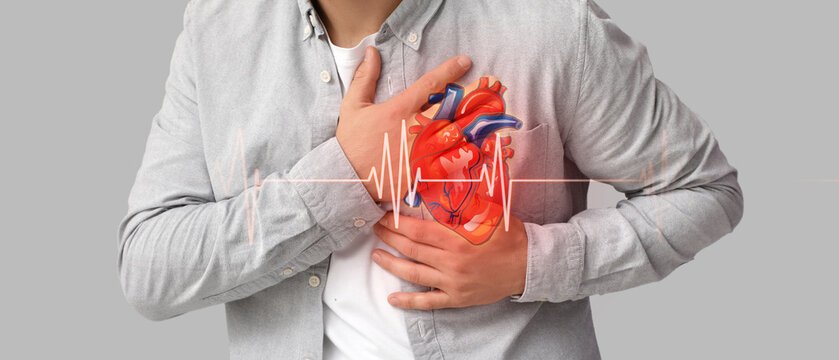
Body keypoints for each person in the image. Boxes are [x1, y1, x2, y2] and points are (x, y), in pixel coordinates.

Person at [118, 0, 744, 359]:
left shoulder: (551, 27)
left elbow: (703, 189)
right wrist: (345, 175)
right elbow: (151, 271)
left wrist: (535, 263)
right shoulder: (217, 30)